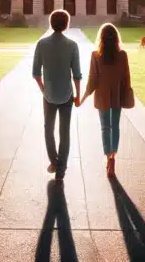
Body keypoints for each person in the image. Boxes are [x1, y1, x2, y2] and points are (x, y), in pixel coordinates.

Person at [32, 9, 82, 180]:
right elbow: (77, 74)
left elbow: (36, 73)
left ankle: (54, 161)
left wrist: (43, 90)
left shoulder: (41, 44)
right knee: (65, 132)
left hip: (49, 95)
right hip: (67, 94)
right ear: (67, 24)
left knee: (48, 129)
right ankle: (61, 170)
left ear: (51, 23)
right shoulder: (72, 45)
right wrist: (78, 95)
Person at [79, 23, 132, 177]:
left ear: (101, 38)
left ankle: (107, 155)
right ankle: (112, 157)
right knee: (115, 126)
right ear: (116, 38)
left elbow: (92, 79)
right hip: (117, 95)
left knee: (105, 128)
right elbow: (126, 77)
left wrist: (83, 98)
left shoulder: (96, 55)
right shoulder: (122, 55)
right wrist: (126, 94)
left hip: (102, 96)